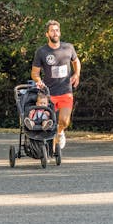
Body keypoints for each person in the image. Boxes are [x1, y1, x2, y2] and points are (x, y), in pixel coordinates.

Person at [31, 20, 81, 151]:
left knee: (64, 121)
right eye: (52, 30)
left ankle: (60, 132)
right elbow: (34, 73)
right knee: (49, 122)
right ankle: (50, 147)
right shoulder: (41, 52)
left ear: (60, 32)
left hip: (65, 91)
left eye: (57, 30)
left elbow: (76, 61)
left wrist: (76, 74)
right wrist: (38, 80)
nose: (55, 33)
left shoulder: (68, 47)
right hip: (48, 94)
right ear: (47, 34)